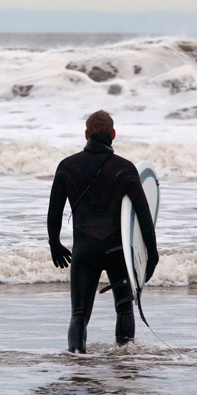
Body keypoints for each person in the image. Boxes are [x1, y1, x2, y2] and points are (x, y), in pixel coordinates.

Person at [47, 110, 158, 354]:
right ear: (113, 134)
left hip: (84, 251)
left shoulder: (67, 166)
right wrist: (152, 254)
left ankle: (77, 363)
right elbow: (143, 215)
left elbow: (54, 211)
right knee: (125, 309)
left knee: (79, 315)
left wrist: (54, 244)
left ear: (86, 134)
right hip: (117, 251)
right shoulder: (126, 169)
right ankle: (124, 361)